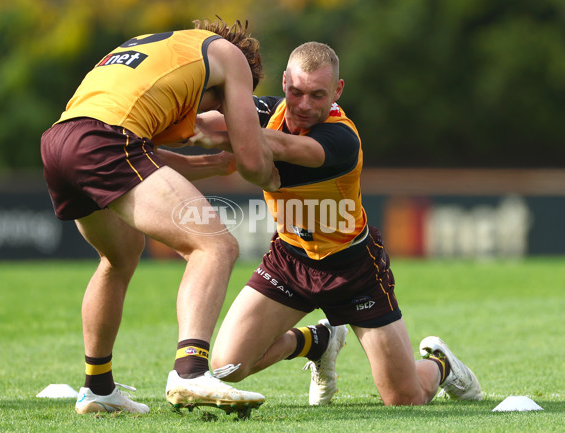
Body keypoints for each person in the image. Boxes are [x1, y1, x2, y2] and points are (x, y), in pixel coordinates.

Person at [192, 42, 482, 406]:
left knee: (404, 398)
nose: (304, 105)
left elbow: (279, 147)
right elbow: (196, 121)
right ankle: (318, 342)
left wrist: (220, 133)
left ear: (337, 92)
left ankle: (440, 364)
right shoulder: (266, 111)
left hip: (352, 267)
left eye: (318, 95)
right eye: (295, 91)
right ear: (283, 82)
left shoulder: (341, 138)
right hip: (290, 260)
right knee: (226, 368)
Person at [40, 18, 280, 415]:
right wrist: (269, 168)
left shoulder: (160, 47)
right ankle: (189, 373)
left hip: (60, 142)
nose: (214, 111)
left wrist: (214, 164)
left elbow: (142, 156)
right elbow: (253, 161)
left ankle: (98, 388)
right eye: (220, 102)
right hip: (104, 140)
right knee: (215, 246)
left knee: (119, 257)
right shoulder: (231, 58)